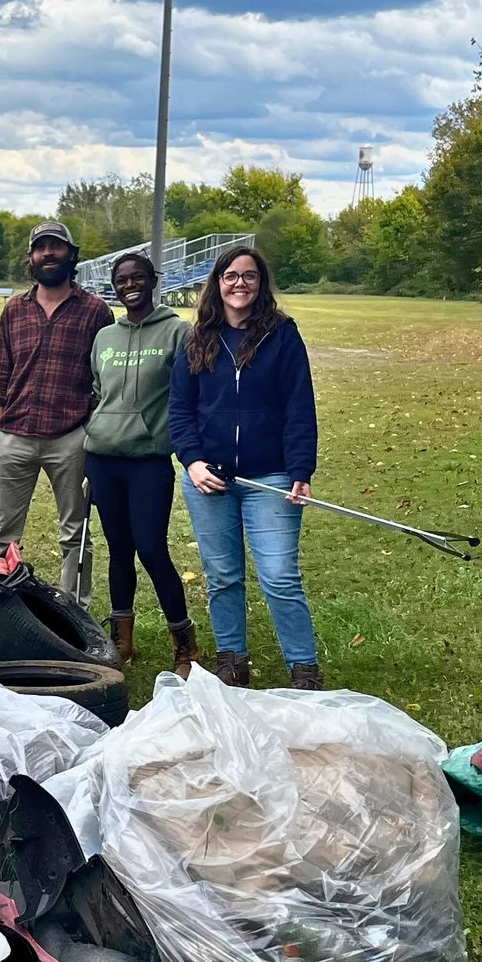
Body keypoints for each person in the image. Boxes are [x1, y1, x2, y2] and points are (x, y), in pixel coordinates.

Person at [167, 242, 321, 690]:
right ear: (217, 283)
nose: (240, 284)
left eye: (249, 276)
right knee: (223, 576)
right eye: (230, 276)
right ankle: (232, 660)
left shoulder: (282, 335)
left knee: (279, 575)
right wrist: (192, 462)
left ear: (260, 283)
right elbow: (180, 409)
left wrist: (300, 471)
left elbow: (299, 406)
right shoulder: (197, 338)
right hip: (207, 478)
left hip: (269, 477)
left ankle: (304, 667)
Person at [83, 250, 199, 676]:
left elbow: (188, 395)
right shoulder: (104, 338)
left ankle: (184, 641)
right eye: (121, 280)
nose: (129, 285)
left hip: (148, 460)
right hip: (103, 458)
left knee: (151, 548)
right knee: (119, 550)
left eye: (137, 278)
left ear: (153, 280)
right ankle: (121, 638)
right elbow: (97, 392)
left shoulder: (176, 332)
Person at [0, 221, 112, 602]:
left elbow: (103, 378)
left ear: (71, 255)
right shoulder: (14, 309)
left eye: (56, 247)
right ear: (31, 257)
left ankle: (75, 611)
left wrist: (86, 432)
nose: (48, 254)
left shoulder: (95, 312)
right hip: (16, 435)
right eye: (41, 248)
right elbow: (0, 373)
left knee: (76, 532)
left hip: (70, 438)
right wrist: (0, 432)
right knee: (2, 533)